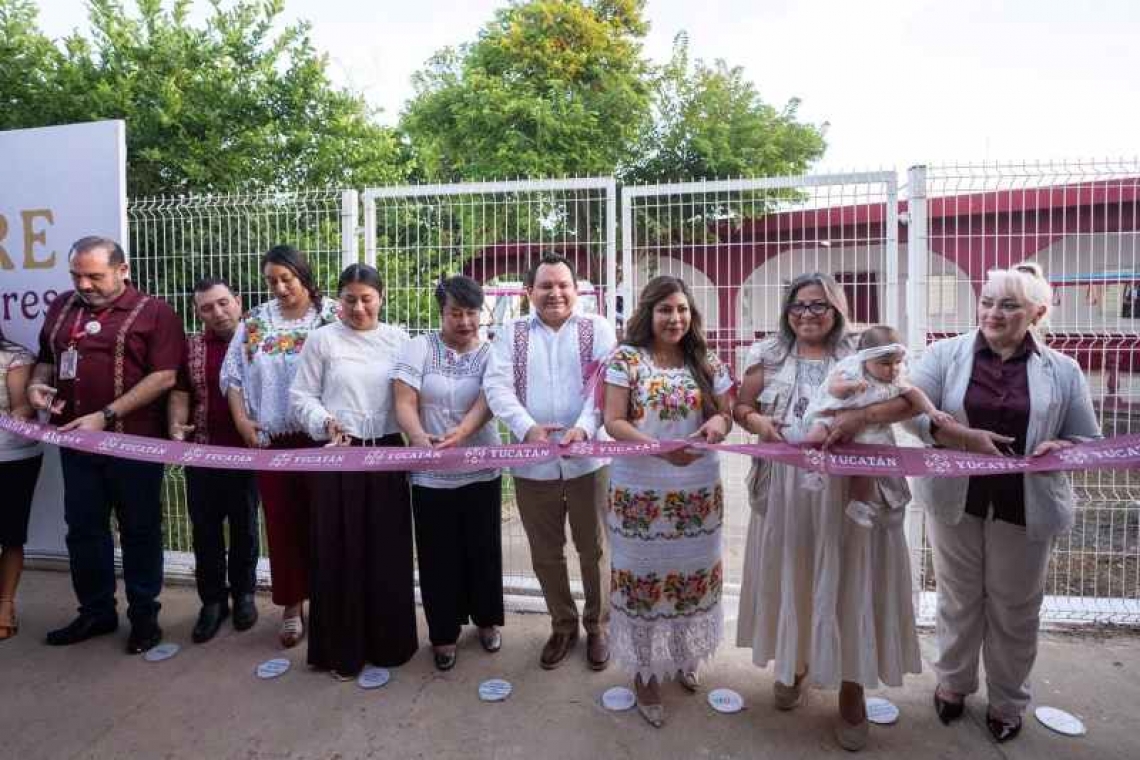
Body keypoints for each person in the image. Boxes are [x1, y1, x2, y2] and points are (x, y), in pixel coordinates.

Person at [906, 266, 1100, 742]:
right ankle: (953, 684)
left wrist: (1064, 449)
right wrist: (959, 436)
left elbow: (1085, 438)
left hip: (1025, 504)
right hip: (958, 499)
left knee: (1016, 607)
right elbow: (913, 413)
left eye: (1009, 305)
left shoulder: (1063, 368)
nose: (993, 312)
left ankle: (1009, 700)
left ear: (1038, 312)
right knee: (958, 598)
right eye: (988, 301)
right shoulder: (944, 354)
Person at [733, 272, 921, 751]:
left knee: (850, 578)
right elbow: (741, 405)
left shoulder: (862, 351)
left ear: (837, 309)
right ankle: (795, 663)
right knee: (795, 572)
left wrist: (860, 417)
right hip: (788, 491)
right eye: (799, 305)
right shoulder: (767, 353)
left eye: (819, 305)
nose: (807, 314)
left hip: (851, 493)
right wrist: (759, 422)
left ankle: (852, 689)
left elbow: (907, 401)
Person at [27, 236, 184, 654]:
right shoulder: (62, 307)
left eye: (95, 276)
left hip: (133, 445)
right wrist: (38, 384)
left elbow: (165, 376)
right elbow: (46, 355)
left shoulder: (155, 312)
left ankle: (144, 616)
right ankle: (96, 612)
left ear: (123, 269)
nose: (85, 284)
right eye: (77, 275)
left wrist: (107, 415)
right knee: (83, 530)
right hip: (75, 443)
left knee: (139, 529)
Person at [601, 276, 733, 727]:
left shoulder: (706, 359)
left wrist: (716, 427)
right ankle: (643, 674)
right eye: (664, 310)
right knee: (641, 579)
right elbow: (613, 421)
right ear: (648, 313)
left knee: (690, 576)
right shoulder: (626, 358)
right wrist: (659, 448)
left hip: (696, 487)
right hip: (640, 488)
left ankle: (680, 657)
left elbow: (725, 413)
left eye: (681, 309)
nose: (675, 318)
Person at [484, 252, 617, 671]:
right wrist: (526, 428)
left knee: (594, 548)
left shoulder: (597, 329)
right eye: (545, 286)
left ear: (577, 290)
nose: (555, 293)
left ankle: (599, 626)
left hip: (588, 459)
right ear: (529, 292)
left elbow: (604, 385)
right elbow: (497, 385)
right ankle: (563, 624)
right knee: (545, 551)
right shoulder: (511, 332)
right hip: (532, 461)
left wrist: (583, 427)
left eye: (563, 285)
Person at [289, 263, 417, 678]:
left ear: (381, 297)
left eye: (367, 298)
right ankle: (341, 649)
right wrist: (325, 420)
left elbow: (412, 398)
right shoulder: (322, 340)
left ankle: (389, 645)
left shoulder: (400, 341)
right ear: (338, 301)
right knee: (339, 548)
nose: (359, 307)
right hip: (338, 454)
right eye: (350, 299)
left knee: (387, 549)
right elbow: (301, 395)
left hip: (387, 455)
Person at [220, 244, 338, 648]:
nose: (281, 287)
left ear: (304, 276)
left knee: (324, 522)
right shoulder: (254, 322)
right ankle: (291, 604)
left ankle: (328, 602)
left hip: (324, 438)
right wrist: (241, 421)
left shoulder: (331, 316)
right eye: (272, 281)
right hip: (272, 439)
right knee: (282, 523)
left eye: (287, 278)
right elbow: (233, 376)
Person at [393, 276, 504, 671]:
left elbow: (490, 399)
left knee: (483, 549)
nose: (465, 321)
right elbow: (404, 400)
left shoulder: (493, 353)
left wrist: (463, 432)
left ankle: (487, 620)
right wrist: (419, 438)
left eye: (472, 312)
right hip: (431, 473)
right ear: (440, 313)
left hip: (480, 468)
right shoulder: (419, 348)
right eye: (455, 313)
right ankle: (443, 633)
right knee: (438, 553)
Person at [168, 277, 260, 643]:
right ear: (197, 312)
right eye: (207, 307)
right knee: (205, 531)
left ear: (238, 301)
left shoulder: (260, 343)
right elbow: (180, 391)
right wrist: (176, 423)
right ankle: (211, 603)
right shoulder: (190, 348)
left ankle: (244, 596)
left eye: (223, 303)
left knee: (245, 528)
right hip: (202, 454)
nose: (217, 313)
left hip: (249, 453)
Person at [801, 324, 954, 526]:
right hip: (831, 413)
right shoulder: (852, 368)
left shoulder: (896, 379)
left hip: (866, 429)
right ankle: (813, 470)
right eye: (885, 364)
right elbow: (834, 388)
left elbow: (914, 394)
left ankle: (859, 504)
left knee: (867, 468)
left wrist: (932, 411)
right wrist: (851, 386)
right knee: (816, 435)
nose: (893, 369)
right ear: (866, 359)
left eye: (897, 362)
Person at [0, 328, 44, 641]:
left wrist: (14, 417)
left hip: (11, 456)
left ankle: (4, 607)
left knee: (10, 533)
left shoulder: (15, 356)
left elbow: (23, 407)